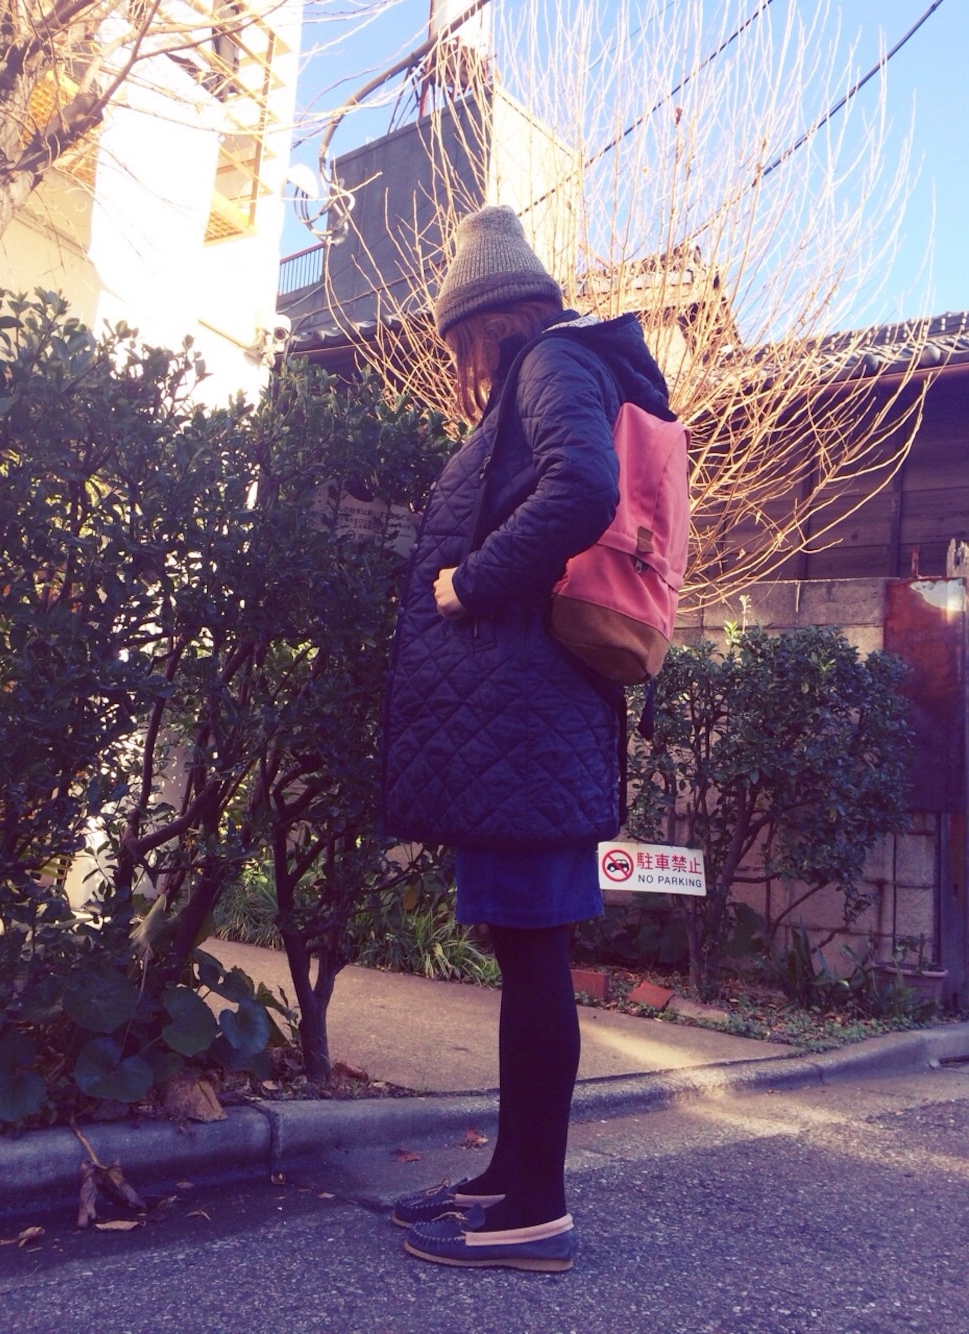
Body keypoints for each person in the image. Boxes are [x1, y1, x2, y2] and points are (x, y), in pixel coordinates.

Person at [381, 205, 674, 1271]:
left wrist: (471, 582)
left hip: (529, 721)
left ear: (481, 320)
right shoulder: (558, 364)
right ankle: (506, 1179)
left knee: (536, 956)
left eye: (457, 341)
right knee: (524, 954)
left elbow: (583, 486)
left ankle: (535, 1210)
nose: (459, 363)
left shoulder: (551, 361)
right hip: (524, 725)